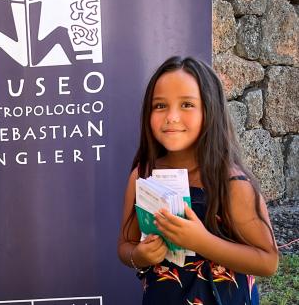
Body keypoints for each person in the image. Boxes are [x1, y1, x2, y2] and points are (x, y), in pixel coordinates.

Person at [117, 56, 278, 305]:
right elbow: (125, 246)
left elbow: (267, 262)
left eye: (186, 105)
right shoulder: (143, 174)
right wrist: (139, 255)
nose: (171, 116)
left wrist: (200, 242)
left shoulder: (232, 183)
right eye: (160, 106)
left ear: (209, 110)